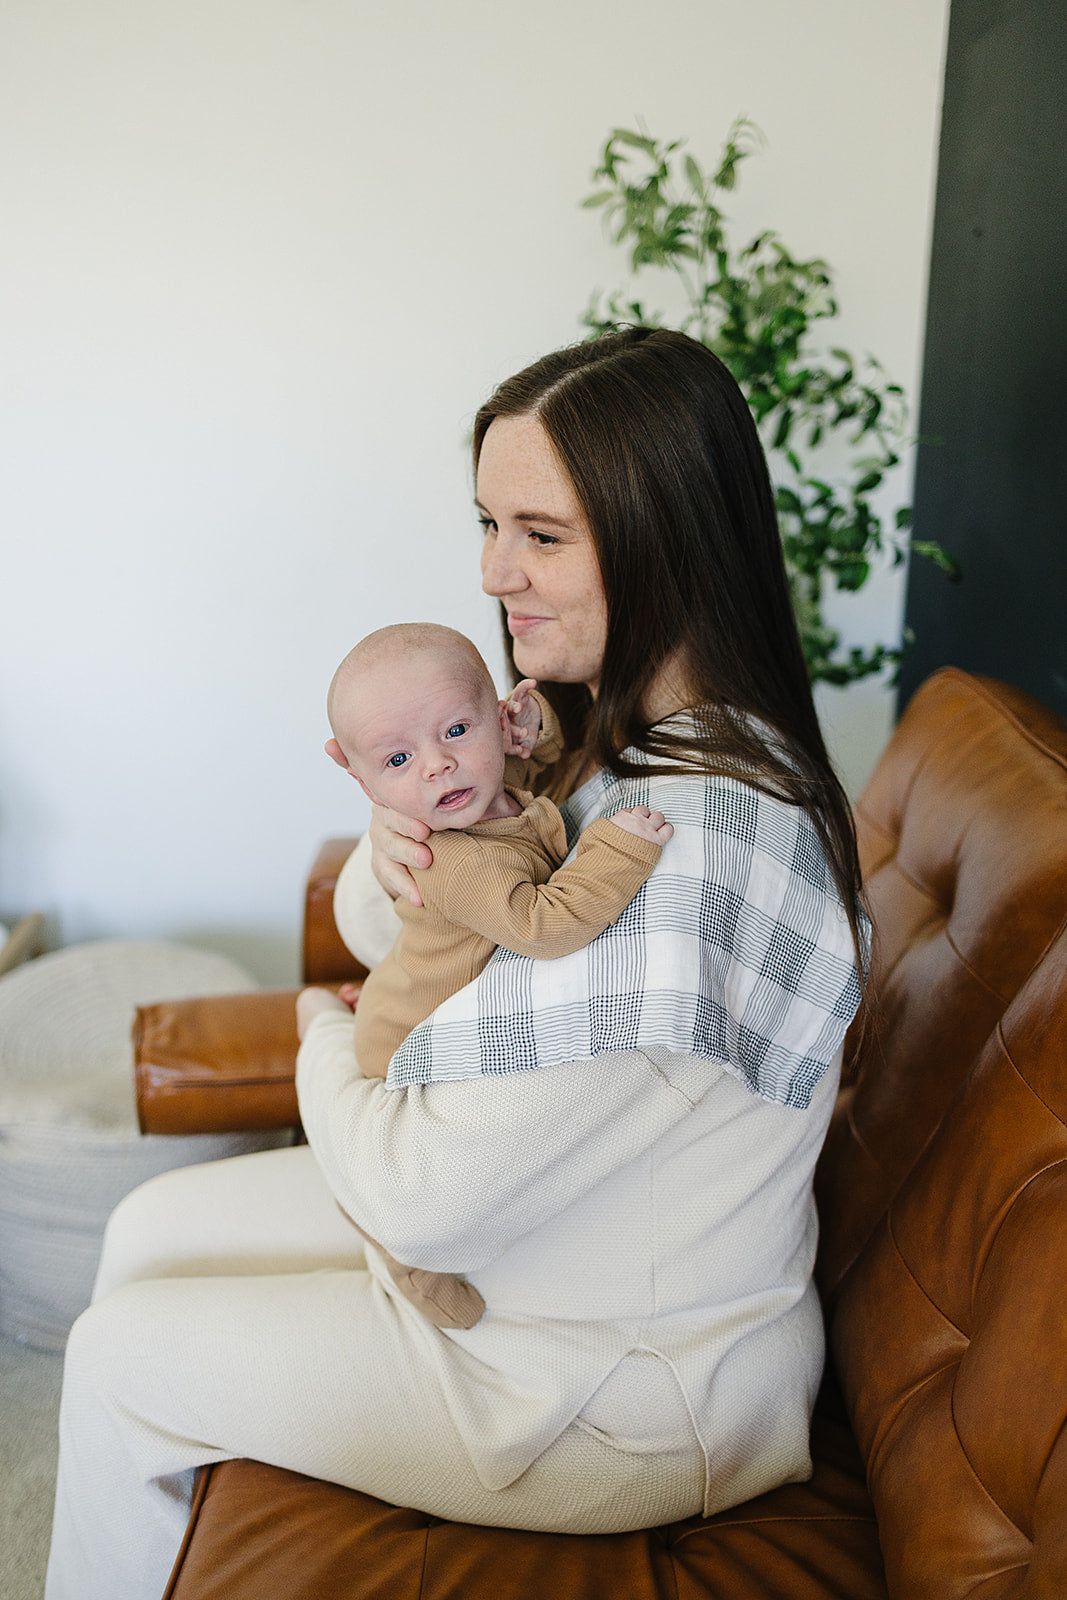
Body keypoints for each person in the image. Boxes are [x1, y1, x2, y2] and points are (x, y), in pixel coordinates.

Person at [46, 327, 868, 1599]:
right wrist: (402, 861)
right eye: (488, 523)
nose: (494, 572)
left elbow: (419, 1195)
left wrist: (326, 1042)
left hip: (617, 1388)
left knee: (119, 1358)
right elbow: (435, 954)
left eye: (541, 534)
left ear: (664, 538)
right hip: (531, 1263)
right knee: (149, 1226)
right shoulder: (619, 740)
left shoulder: (686, 853)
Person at [320, 619, 671, 1327]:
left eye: (455, 730)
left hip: (410, 987)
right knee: (389, 1188)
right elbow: (542, 926)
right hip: (397, 1036)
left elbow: (539, 760)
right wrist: (617, 849)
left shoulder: (490, 788)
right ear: (353, 773)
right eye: (396, 761)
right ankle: (402, 1265)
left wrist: (532, 723)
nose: (436, 767)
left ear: (495, 718)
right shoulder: (457, 858)